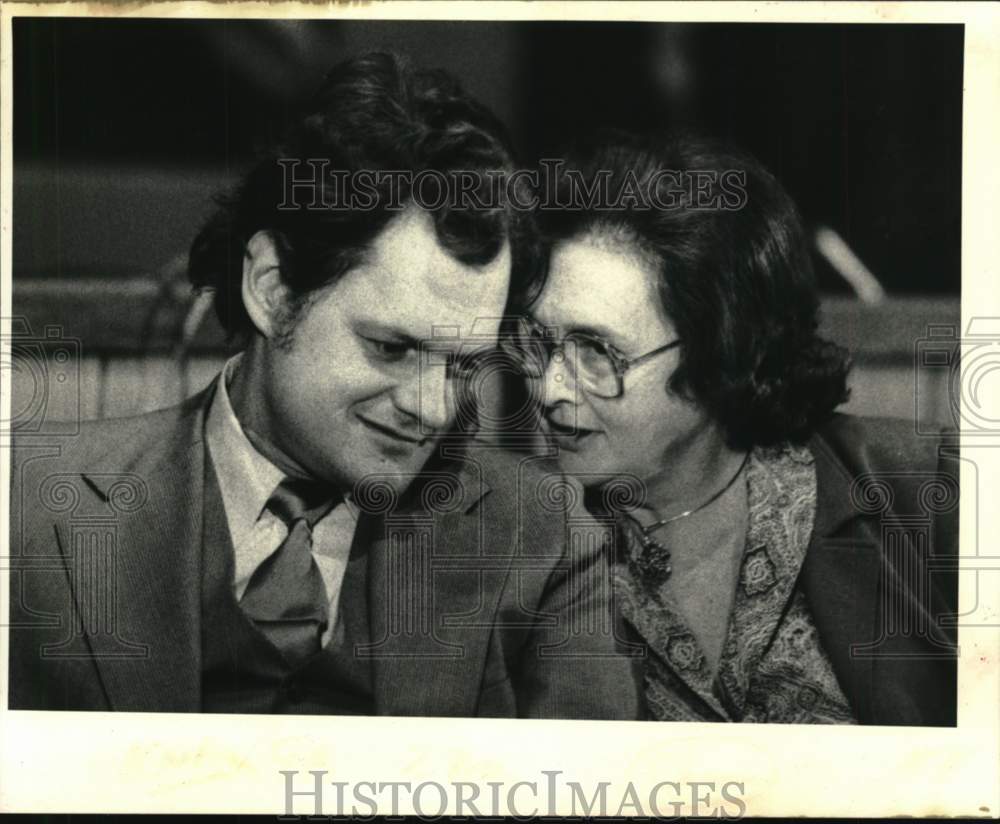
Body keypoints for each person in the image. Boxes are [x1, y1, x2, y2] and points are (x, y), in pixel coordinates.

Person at [7, 53, 641, 718]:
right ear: (273, 290)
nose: (432, 409)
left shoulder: (545, 540)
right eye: (391, 348)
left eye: (463, 366)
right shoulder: (24, 507)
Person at [505, 132, 958, 725]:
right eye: (540, 341)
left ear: (721, 353)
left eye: (597, 350)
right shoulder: (515, 541)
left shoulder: (931, 492)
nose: (548, 388)